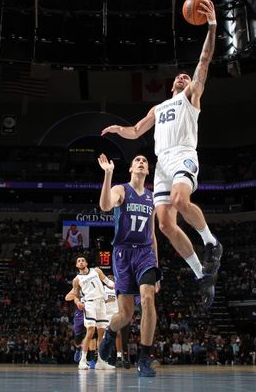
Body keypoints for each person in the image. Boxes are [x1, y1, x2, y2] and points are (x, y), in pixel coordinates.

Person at [101, 0, 222, 307]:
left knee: (182, 201)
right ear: (172, 85)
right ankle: (201, 275)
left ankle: (211, 242)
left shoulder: (191, 97)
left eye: (186, 76)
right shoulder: (159, 107)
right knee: (166, 225)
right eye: (179, 77)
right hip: (162, 165)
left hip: (183, 153)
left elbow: (205, 60)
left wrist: (211, 27)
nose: (183, 77)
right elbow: (137, 131)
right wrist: (119, 129)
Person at [96, 153, 160, 377]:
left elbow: (152, 235)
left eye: (145, 161)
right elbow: (104, 206)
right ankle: (110, 334)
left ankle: (144, 358)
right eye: (137, 161)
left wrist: (157, 269)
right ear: (132, 169)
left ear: (148, 171)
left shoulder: (152, 198)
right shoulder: (121, 190)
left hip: (145, 254)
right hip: (123, 254)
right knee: (125, 315)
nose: (142, 162)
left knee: (148, 299)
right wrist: (108, 175)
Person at [69, 256, 115, 370]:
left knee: (101, 334)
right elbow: (75, 296)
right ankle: (83, 361)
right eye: (78, 261)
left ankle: (100, 361)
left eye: (82, 260)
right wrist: (78, 302)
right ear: (76, 265)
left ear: (86, 262)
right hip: (90, 304)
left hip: (101, 304)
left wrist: (119, 286)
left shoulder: (97, 271)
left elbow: (108, 282)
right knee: (90, 331)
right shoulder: (76, 280)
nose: (81, 262)